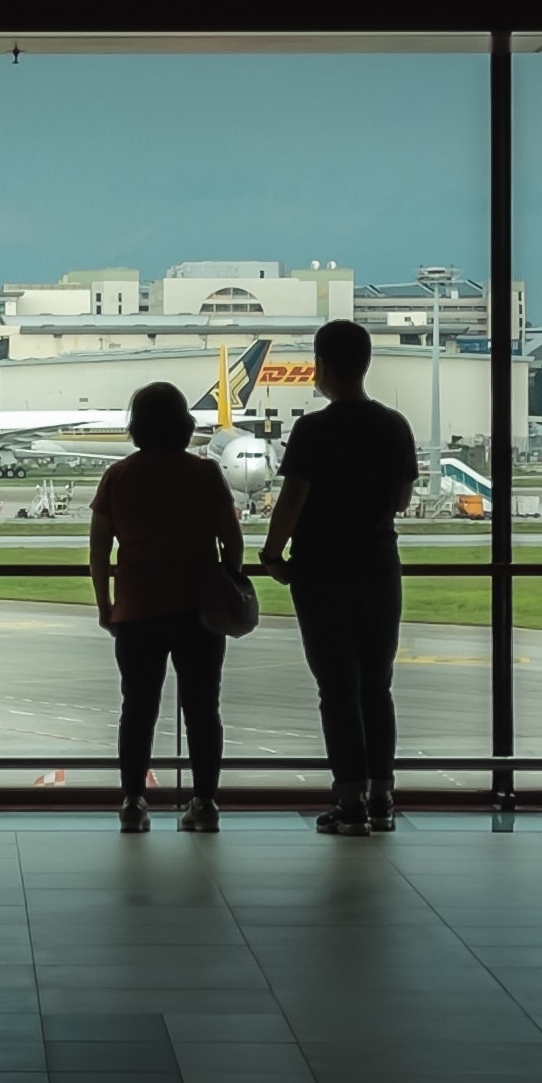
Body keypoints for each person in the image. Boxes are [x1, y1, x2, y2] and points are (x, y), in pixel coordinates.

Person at [260, 318, 416, 836]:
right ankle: (382, 796)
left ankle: (348, 800)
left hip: (322, 570)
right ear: (366, 363)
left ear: (321, 368)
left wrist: (272, 553)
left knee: (336, 688)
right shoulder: (394, 425)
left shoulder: (313, 430)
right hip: (378, 565)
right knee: (378, 686)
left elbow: (292, 499)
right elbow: (401, 500)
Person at [89, 382, 243, 835]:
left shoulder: (118, 476)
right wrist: (223, 580)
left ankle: (134, 803)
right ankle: (205, 802)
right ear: (184, 424)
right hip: (199, 610)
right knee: (202, 710)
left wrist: (106, 605)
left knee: (137, 709)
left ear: (136, 427)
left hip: (137, 610)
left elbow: (99, 552)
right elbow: (231, 541)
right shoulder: (205, 474)